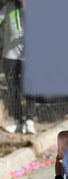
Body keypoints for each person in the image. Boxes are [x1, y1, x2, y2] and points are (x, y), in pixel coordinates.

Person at [1, 0, 35, 135]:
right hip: (9, 54)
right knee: (12, 89)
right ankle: (18, 122)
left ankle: (30, 121)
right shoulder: (6, 7)